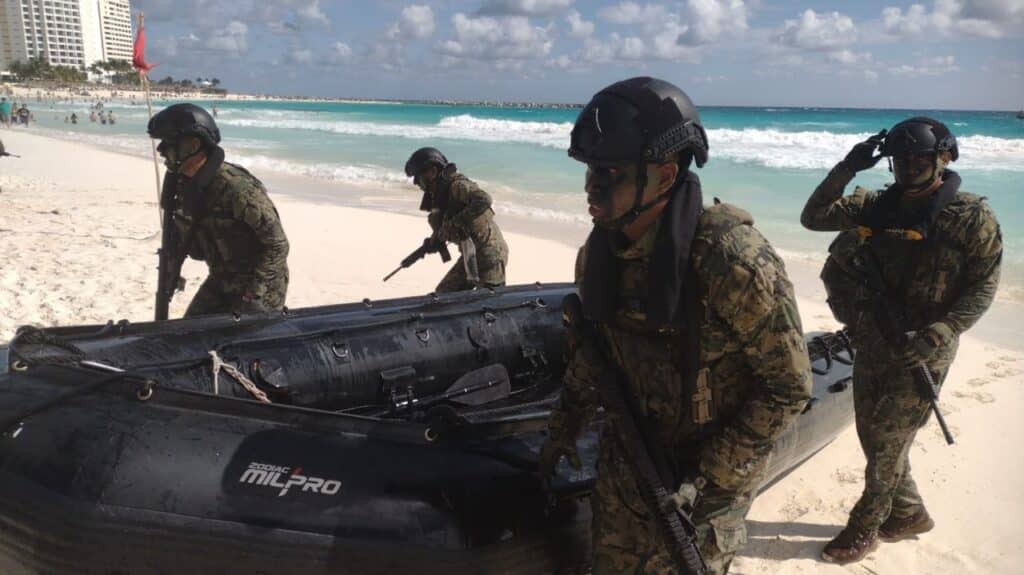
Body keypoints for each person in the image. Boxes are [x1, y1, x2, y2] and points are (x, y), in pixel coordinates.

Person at [538, 76, 812, 575]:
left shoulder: (731, 262)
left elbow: (788, 386)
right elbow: (594, 354)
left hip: (704, 487)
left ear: (664, 177)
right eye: (591, 171)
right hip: (627, 465)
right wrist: (563, 431)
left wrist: (706, 477)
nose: (590, 188)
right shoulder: (601, 255)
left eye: (610, 173)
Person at [801, 117, 1002, 564]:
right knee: (876, 436)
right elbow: (813, 218)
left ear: (944, 157)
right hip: (875, 337)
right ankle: (907, 513)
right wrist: (849, 167)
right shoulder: (874, 206)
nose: (910, 166)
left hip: (925, 348)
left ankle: (864, 528)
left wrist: (944, 330)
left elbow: (983, 286)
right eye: (901, 159)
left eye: (921, 158)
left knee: (888, 441)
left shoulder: (970, 218)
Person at [148, 103, 290, 317]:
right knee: (189, 332)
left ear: (193, 145)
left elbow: (277, 245)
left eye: (169, 143)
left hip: (262, 285)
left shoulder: (236, 188)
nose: (161, 151)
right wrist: (172, 268)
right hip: (222, 277)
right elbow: (178, 233)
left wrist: (254, 295)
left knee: (243, 342)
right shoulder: (183, 184)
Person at [403, 147, 509, 292]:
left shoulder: (457, 185)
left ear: (433, 171)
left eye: (418, 177)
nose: (416, 182)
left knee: (489, 303)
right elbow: (444, 227)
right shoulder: (440, 194)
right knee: (443, 296)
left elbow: (484, 199)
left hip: (490, 254)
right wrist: (431, 244)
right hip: (470, 255)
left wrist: (456, 222)